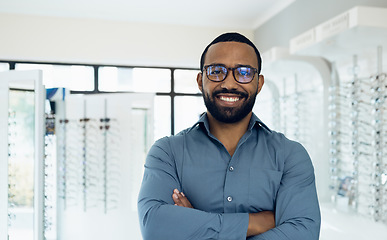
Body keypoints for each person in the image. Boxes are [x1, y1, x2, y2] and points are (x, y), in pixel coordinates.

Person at [137, 32, 321, 239]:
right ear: (200, 80)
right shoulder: (167, 152)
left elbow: (303, 233)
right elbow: (154, 227)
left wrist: (195, 224)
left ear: (259, 83)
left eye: (244, 72)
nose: (229, 84)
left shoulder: (290, 155)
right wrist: (253, 222)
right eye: (217, 71)